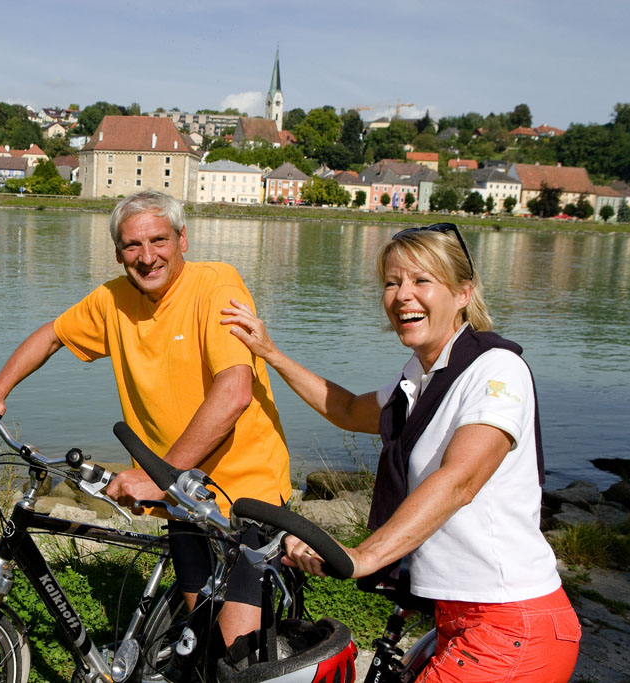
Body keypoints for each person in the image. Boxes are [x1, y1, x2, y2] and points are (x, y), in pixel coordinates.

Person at [220, 223, 580, 682]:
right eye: (392, 282)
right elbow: (348, 409)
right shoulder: (422, 377)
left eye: (421, 280)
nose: (402, 295)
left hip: (510, 622)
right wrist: (270, 352)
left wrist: (365, 555)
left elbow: (459, 481)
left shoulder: (496, 370)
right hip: (459, 616)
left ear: (463, 292)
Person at [0, 189, 292, 645]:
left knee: (237, 651)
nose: (147, 257)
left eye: (159, 240)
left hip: (246, 491)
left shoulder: (217, 287)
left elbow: (234, 393)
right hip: (182, 493)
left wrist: (159, 476)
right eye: (133, 245)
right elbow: (52, 335)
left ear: (182, 240)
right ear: (118, 252)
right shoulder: (113, 300)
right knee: (204, 635)